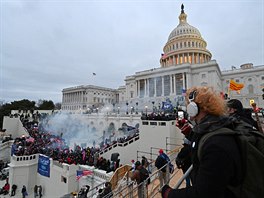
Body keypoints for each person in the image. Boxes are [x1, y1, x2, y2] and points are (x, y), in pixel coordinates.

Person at [161, 86, 243, 198]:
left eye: (188, 105)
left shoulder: (216, 145)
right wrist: (188, 132)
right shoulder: (216, 126)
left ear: (194, 107)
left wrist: (169, 194)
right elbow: (205, 138)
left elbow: (203, 194)